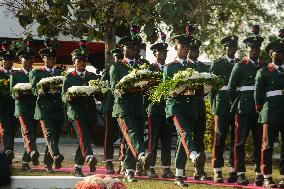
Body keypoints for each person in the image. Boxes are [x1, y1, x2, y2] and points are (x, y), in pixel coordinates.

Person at [109, 28, 152, 183]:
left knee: (134, 138)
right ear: (123, 48)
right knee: (132, 133)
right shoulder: (117, 67)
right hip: (123, 107)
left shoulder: (141, 66)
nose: (133, 50)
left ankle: (129, 171)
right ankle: (141, 155)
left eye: (135, 48)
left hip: (138, 108)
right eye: (130, 47)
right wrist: (131, 87)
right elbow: (115, 89)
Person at [227, 25, 265, 186]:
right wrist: (237, 102)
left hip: (260, 111)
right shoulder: (240, 65)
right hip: (243, 109)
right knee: (240, 142)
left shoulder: (264, 65)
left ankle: (258, 173)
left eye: (257, 48)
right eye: (252, 48)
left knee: (259, 143)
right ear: (248, 48)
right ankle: (240, 173)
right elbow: (230, 88)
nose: (255, 50)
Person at [163, 32, 202, 187]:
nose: (185, 49)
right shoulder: (170, 67)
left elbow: (199, 90)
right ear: (176, 47)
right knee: (185, 132)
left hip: (190, 106)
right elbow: (168, 90)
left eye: (187, 47)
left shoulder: (193, 66)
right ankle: (193, 155)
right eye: (183, 46)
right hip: (176, 106)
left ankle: (179, 175)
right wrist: (181, 87)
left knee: (182, 140)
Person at [62, 40, 98, 177]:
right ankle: (89, 156)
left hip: (90, 112)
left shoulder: (92, 76)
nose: (82, 63)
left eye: (84, 61)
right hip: (76, 113)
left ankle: (77, 167)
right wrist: (69, 98)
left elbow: (98, 93)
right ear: (74, 62)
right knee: (83, 136)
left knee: (84, 139)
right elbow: (63, 96)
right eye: (79, 61)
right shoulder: (69, 78)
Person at [29, 38, 65, 173]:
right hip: (44, 109)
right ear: (43, 59)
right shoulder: (36, 72)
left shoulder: (59, 73)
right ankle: (56, 155)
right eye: (49, 57)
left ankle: (48, 164)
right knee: (49, 133)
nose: (52, 60)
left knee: (55, 136)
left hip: (57, 109)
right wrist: (43, 89)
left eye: (53, 57)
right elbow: (33, 90)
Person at [255, 29, 284, 188]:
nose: (280, 55)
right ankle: (266, 176)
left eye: (282, 52)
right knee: (267, 145)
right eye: (277, 52)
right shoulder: (264, 71)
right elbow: (258, 96)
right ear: (271, 54)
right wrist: (261, 110)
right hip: (270, 112)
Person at [209, 35, 239, 183]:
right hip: (221, 106)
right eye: (229, 47)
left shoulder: (240, 64)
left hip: (236, 106)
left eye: (234, 47)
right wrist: (213, 107)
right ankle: (217, 170)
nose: (231, 49)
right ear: (225, 48)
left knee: (236, 138)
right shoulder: (217, 65)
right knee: (219, 138)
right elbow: (211, 89)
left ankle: (233, 170)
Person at [146, 32, 175, 179]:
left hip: (167, 109)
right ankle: (150, 167)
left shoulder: (170, 68)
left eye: (165, 52)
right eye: (160, 52)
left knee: (167, 140)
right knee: (153, 139)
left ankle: (166, 168)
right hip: (155, 108)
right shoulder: (150, 69)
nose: (163, 54)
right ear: (154, 53)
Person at [186, 34, 212, 181]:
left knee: (199, 137)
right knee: (186, 138)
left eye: (196, 50)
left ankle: (199, 170)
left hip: (200, 104)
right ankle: (181, 169)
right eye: (192, 50)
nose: (194, 53)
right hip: (187, 104)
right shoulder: (184, 66)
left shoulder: (202, 66)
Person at [10, 43, 39, 171]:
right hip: (21, 107)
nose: (28, 61)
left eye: (30, 59)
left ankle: (25, 162)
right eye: (25, 59)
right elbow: (13, 93)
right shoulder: (15, 75)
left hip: (34, 108)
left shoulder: (36, 74)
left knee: (31, 134)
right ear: (21, 60)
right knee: (28, 131)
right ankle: (32, 152)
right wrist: (22, 91)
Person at [101, 48, 122, 174]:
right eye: (116, 58)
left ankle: (122, 162)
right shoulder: (109, 71)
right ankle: (108, 162)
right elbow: (102, 88)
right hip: (110, 106)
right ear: (113, 58)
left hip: (122, 107)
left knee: (123, 136)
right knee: (109, 135)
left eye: (120, 57)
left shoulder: (126, 69)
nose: (118, 60)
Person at [0, 41, 17, 166]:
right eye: (6, 60)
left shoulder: (16, 74)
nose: (9, 62)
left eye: (10, 60)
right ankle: (7, 151)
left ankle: (8, 156)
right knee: (6, 130)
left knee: (12, 130)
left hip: (14, 107)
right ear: (2, 61)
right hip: (1, 108)